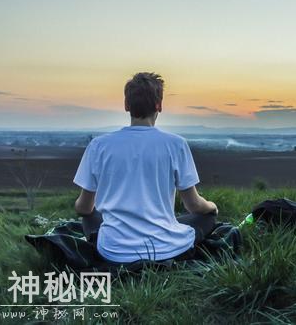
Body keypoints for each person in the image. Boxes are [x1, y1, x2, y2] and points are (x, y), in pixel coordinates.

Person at [73, 72, 218, 263]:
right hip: (166, 249)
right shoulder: (176, 144)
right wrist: (212, 207)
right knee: (207, 218)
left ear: (126, 105)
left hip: (113, 251)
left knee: (90, 216)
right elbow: (193, 205)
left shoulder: (99, 146)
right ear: (159, 105)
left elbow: (83, 208)